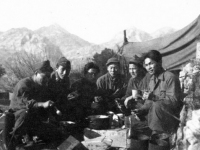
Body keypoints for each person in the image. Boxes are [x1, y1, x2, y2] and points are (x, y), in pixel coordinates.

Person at [9, 60, 62, 146]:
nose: (47, 80)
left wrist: (50, 114)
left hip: (34, 120)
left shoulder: (43, 87)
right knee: (25, 113)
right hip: (17, 117)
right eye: (44, 76)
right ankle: (16, 142)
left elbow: (44, 107)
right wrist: (43, 104)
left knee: (55, 132)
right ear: (36, 72)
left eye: (48, 77)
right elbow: (27, 104)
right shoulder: (24, 84)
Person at [135, 50, 182, 136]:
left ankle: (156, 136)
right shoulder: (152, 79)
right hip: (157, 115)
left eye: (151, 64)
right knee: (136, 108)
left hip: (170, 117)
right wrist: (141, 110)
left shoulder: (170, 77)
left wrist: (154, 97)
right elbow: (149, 102)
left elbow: (174, 101)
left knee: (157, 105)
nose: (149, 67)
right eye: (146, 65)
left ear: (159, 62)